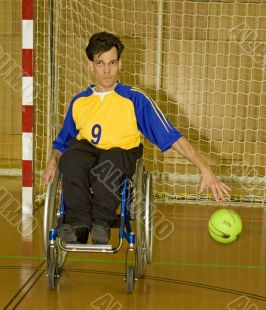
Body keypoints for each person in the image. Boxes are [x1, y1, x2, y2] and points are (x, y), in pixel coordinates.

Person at [43, 32, 230, 245]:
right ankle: (77, 225)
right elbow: (61, 143)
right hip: (86, 151)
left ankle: (101, 223)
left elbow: (172, 137)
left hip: (120, 153)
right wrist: (52, 161)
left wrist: (204, 168)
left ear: (120, 64)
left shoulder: (135, 98)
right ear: (90, 64)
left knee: (110, 161)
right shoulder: (79, 101)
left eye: (112, 62)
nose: (106, 70)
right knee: (70, 159)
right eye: (100, 63)